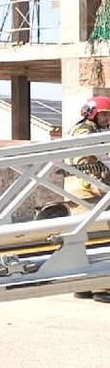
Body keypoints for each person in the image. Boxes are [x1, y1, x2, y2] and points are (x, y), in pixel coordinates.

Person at [64, 96, 110, 301]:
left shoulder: (90, 130)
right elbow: (84, 161)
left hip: (81, 190)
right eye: (104, 114)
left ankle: (83, 285)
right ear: (92, 114)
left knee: (83, 238)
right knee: (100, 237)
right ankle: (102, 287)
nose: (107, 119)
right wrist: (96, 185)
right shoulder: (84, 131)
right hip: (86, 191)